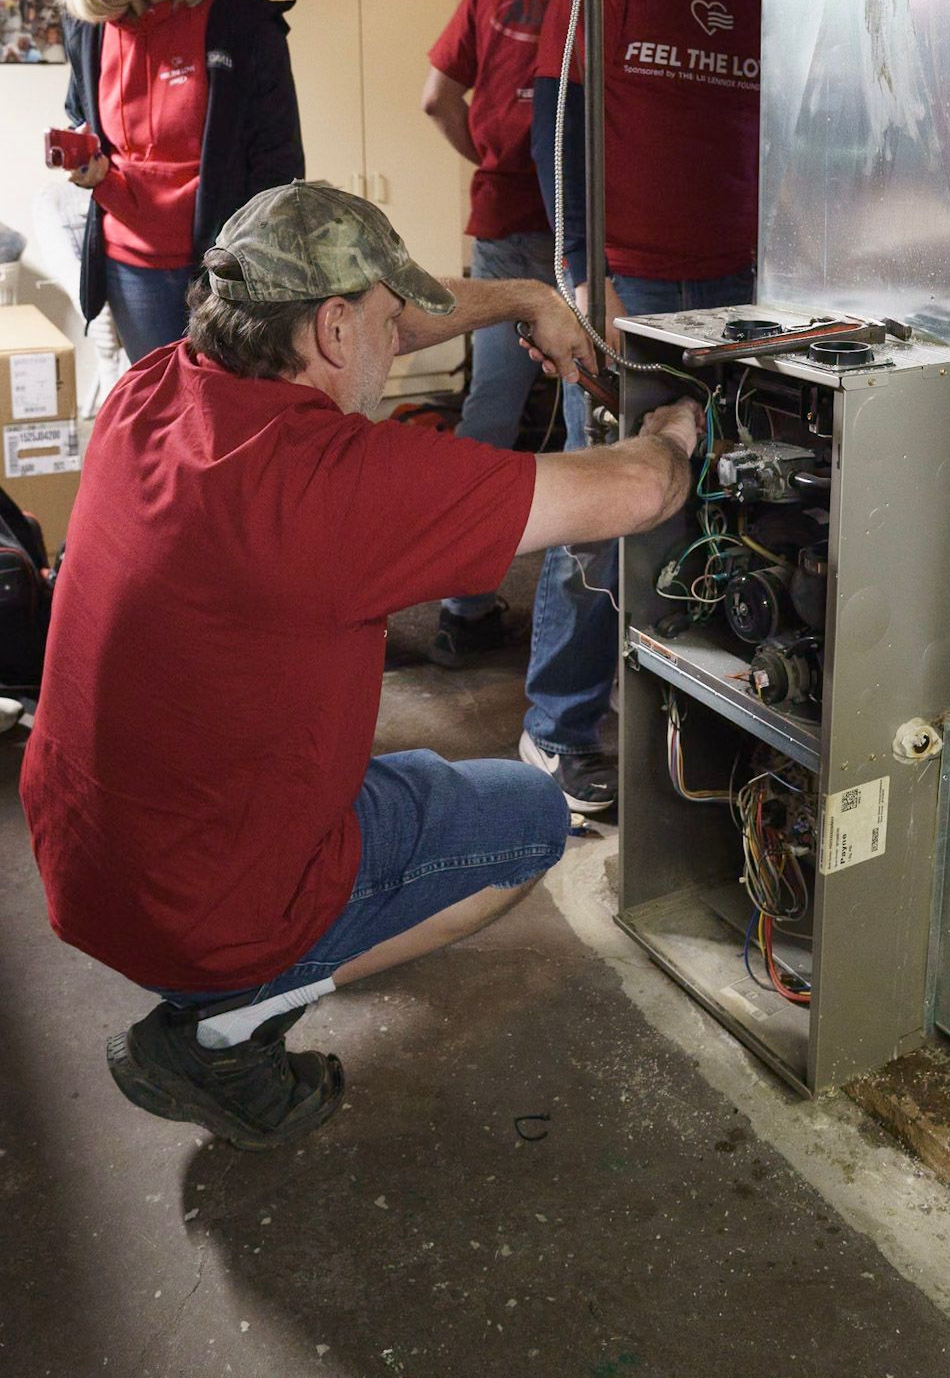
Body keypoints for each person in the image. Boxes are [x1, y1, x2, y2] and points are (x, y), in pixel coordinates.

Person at [19, 180, 700, 1151]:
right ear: (335, 329)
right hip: (200, 904)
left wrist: (523, 301)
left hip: (85, 852)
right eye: (388, 319)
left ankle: (232, 978)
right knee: (528, 817)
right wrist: (673, 428)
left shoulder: (153, 386)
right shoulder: (334, 487)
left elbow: (375, 322)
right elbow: (637, 486)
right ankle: (230, 1019)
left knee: (401, 779)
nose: (405, 336)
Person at [523, 0, 762, 814]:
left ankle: (691, 711)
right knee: (601, 501)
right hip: (632, 277)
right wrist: (583, 274)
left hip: (740, 288)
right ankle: (556, 728)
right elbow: (556, 130)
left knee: (722, 497)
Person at [420, 0, 647, 666]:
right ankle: (614, 622)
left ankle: (463, 604)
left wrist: (493, 162)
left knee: (491, 405)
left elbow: (435, 100)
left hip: (511, 218)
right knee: (599, 415)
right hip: (608, 230)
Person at [58, 0, 304, 362]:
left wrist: (259, 270)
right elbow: (82, 113)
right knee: (162, 416)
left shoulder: (243, 24)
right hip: (131, 267)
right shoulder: (86, 27)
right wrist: (86, 164)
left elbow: (279, 163)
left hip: (224, 268)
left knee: (225, 422)